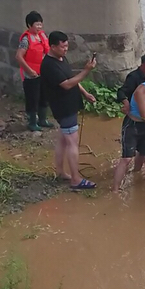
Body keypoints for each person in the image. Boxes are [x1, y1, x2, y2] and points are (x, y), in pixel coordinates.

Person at [39, 31, 97, 190]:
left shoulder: (61, 58)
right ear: (52, 47)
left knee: (63, 141)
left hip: (70, 104)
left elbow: (71, 78)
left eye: (66, 46)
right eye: (62, 47)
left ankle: (60, 171)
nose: (65, 49)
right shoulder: (49, 65)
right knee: (72, 142)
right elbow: (66, 84)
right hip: (63, 107)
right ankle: (76, 180)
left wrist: (85, 93)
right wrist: (86, 70)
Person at [16, 11, 52, 132]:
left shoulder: (42, 36)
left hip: (43, 73)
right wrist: (29, 71)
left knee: (44, 96)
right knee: (33, 98)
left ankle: (43, 120)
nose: (39, 27)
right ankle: (32, 122)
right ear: (29, 25)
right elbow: (19, 57)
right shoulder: (26, 40)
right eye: (37, 24)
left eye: (40, 24)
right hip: (31, 75)